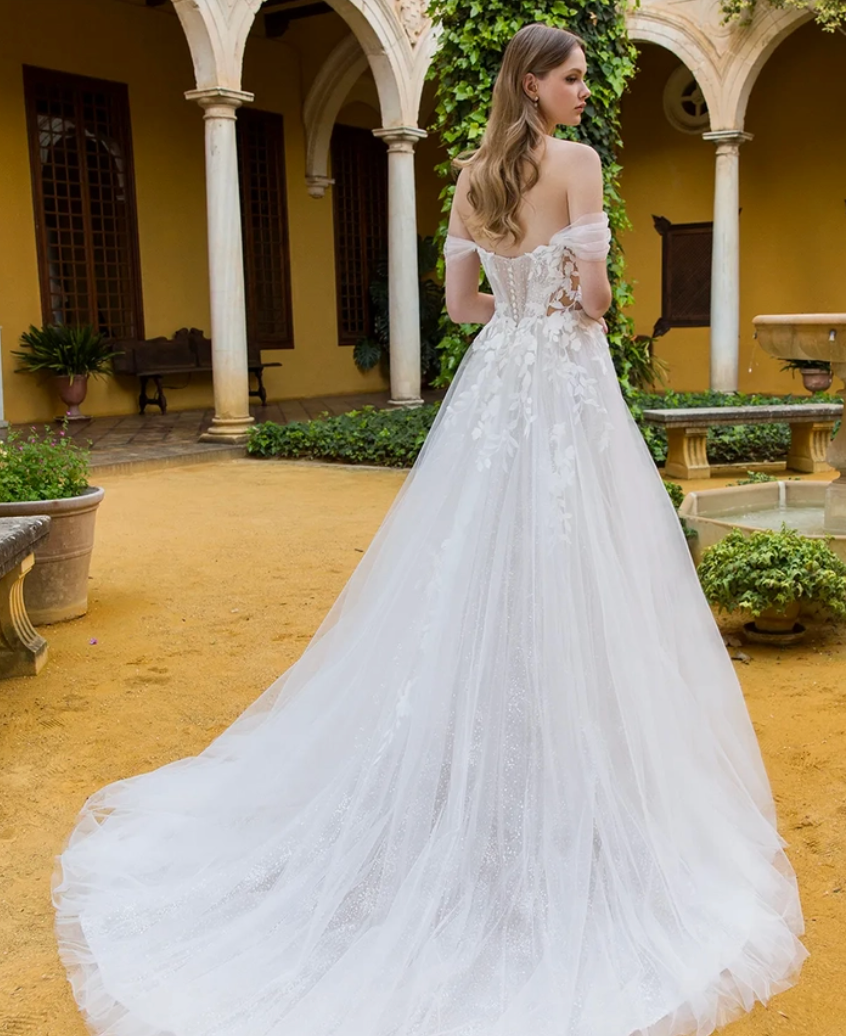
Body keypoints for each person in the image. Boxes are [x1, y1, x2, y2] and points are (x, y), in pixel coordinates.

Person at [53, 22, 808, 1036]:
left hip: (498, 385)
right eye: (574, 75)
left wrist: (516, 302)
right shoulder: (578, 164)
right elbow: (593, 296)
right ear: (532, 82)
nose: (586, 90)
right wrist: (576, 298)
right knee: (586, 572)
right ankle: (574, 799)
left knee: (474, 570)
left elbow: (459, 305)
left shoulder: (472, 174)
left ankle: (477, 783)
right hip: (568, 390)